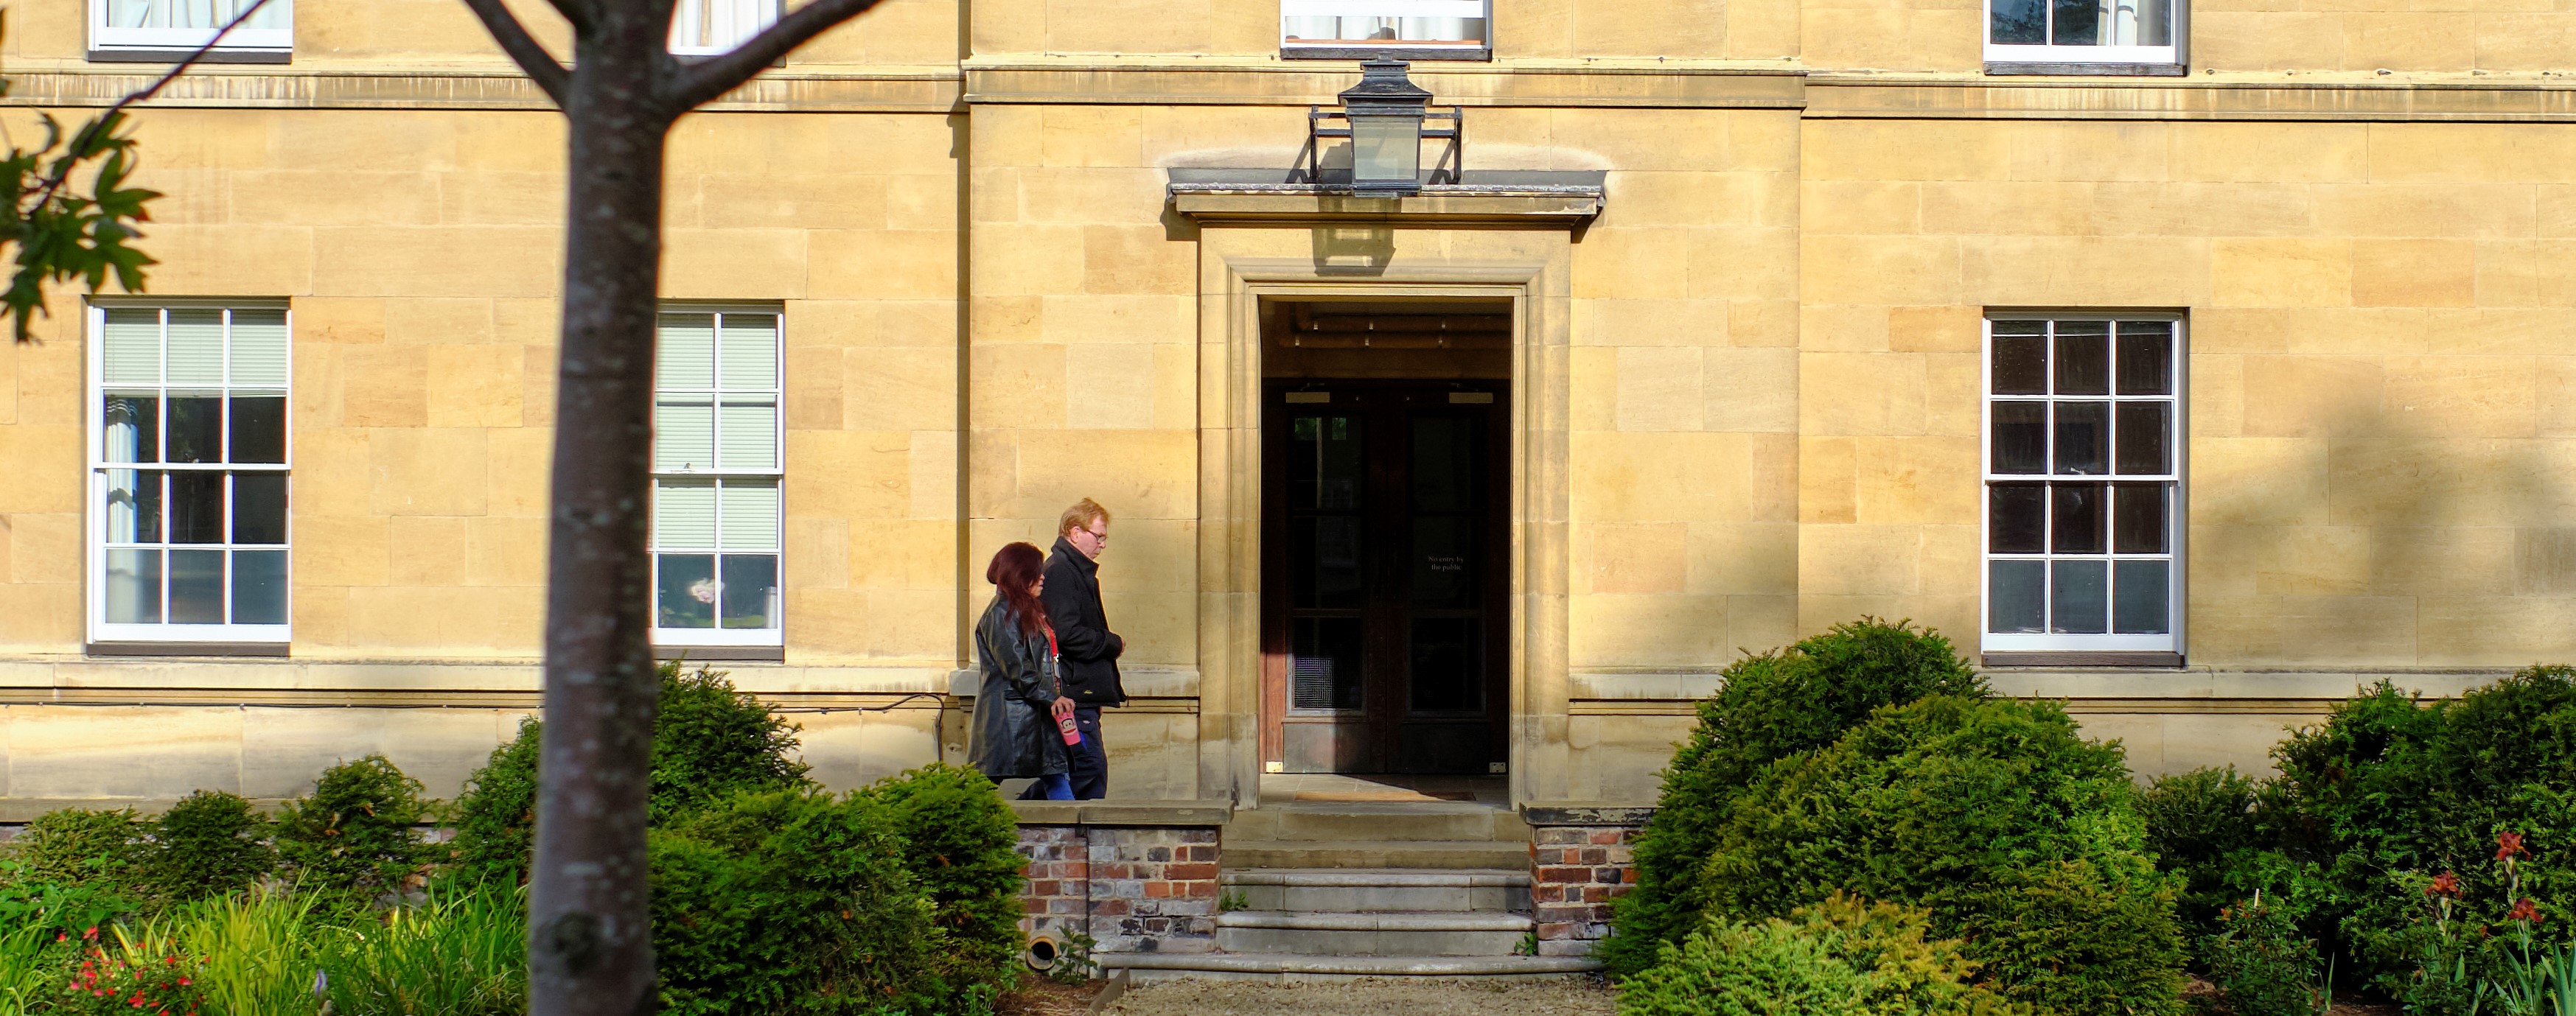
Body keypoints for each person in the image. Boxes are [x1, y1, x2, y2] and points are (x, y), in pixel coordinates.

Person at [968, 542, 1078, 800]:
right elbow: (1017, 667)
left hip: (1035, 712)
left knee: (1056, 775)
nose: (1042, 576)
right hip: (1009, 717)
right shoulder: (1000, 614)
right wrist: (1053, 698)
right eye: (1035, 571)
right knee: (982, 785)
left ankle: (1073, 835)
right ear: (1019, 574)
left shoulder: (1024, 610)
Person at [1042, 498, 1125, 800]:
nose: (1102, 544)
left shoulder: (1073, 570)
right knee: (1087, 769)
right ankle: (1019, 819)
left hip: (1081, 693)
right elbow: (1066, 633)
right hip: (1074, 694)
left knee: (1082, 771)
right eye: (1098, 536)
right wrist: (1112, 643)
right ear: (1075, 532)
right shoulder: (1062, 571)